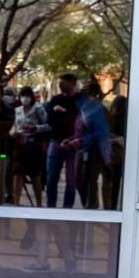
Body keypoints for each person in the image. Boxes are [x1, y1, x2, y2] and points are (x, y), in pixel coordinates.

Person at [65, 80, 110, 210]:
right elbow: (79, 131)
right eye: (83, 91)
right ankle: (89, 204)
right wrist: (70, 139)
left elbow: (101, 133)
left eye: (86, 91)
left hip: (96, 152)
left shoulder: (100, 110)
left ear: (95, 94)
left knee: (90, 180)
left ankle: (92, 207)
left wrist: (81, 141)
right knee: (80, 180)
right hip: (81, 151)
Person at [45, 73, 80, 208]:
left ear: (72, 82)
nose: (60, 86)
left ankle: (67, 207)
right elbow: (50, 121)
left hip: (73, 144)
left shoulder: (80, 100)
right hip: (56, 142)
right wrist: (55, 111)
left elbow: (79, 120)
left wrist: (63, 111)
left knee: (71, 180)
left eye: (62, 83)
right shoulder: (55, 99)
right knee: (52, 177)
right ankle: (51, 205)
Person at [10, 85, 49, 206]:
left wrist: (35, 128)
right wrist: (13, 132)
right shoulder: (17, 110)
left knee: (35, 175)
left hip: (33, 146)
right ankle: (16, 202)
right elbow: (13, 126)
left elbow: (48, 125)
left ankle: (38, 204)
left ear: (31, 97)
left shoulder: (38, 109)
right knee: (18, 174)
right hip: (19, 145)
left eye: (27, 96)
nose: (24, 98)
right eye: (22, 96)